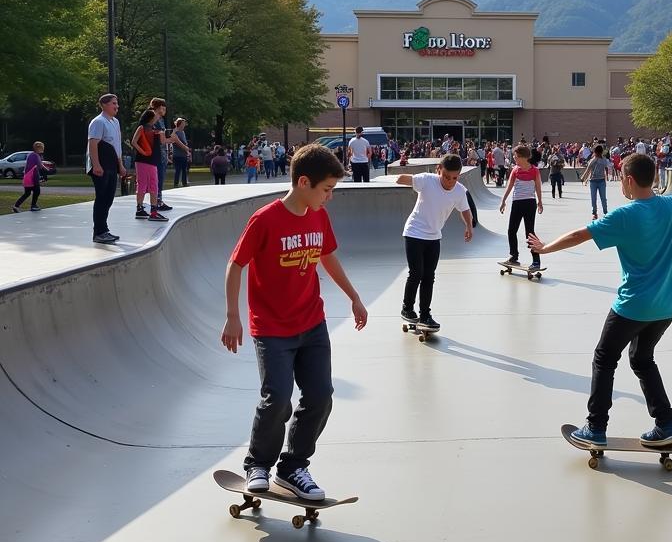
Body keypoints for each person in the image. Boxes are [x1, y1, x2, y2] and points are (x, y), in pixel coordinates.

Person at [527, 153, 672, 448]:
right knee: (642, 359)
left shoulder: (625, 215)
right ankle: (665, 424)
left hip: (632, 307)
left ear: (628, 181)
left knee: (604, 359)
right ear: (654, 176)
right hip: (666, 307)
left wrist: (545, 248)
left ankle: (595, 427)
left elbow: (581, 234)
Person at [221, 143, 366, 500]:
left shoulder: (318, 216)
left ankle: (293, 467)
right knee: (278, 399)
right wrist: (232, 317)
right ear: (304, 182)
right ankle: (258, 464)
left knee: (320, 396)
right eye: (326, 189)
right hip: (271, 328)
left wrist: (354, 296)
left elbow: (327, 258)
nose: (329, 197)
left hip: (311, 323)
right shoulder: (265, 219)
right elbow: (235, 264)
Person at [394, 155, 473, 330]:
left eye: (454, 177)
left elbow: (465, 210)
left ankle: (425, 315)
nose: (450, 181)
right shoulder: (427, 180)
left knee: (429, 276)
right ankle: (407, 308)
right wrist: (404, 177)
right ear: (439, 170)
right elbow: (400, 179)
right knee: (416, 272)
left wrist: (469, 226)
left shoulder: (459, 191)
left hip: (434, 237)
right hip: (414, 232)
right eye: (446, 176)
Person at [86, 94, 128, 244]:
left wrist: (120, 165)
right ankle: (99, 232)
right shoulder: (98, 122)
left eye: (117, 103)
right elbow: (93, 144)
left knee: (109, 198)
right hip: (101, 165)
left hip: (112, 164)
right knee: (102, 197)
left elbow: (116, 146)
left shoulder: (115, 122)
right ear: (103, 105)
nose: (116, 106)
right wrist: (96, 164)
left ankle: (104, 229)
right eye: (113, 104)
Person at [499, 144, 544, 269]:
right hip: (517, 203)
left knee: (529, 233)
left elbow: (538, 187)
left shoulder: (534, 170)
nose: (514, 158)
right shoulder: (515, 170)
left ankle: (536, 260)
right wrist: (503, 201)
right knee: (511, 230)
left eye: (516, 156)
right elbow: (509, 186)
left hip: (530, 203)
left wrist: (540, 202)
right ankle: (514, 256)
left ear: (523, 157)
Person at [131, 109, 168, 223]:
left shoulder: (155, 130)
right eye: (155, 115)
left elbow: (162, 142)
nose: (158, 116)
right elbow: (134, 141)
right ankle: (150, 211)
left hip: (152, 160)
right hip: (144, 160)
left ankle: (143, 209)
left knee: (150, 184)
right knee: (147, 184)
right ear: (150, 117)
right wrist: (142, 151)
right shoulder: (142, 128)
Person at [11, 141, 46, 213]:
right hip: (33, 177)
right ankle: (33, 206)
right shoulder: (36, 155)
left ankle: (16, 206)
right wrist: (46, 169)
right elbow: (40, 166)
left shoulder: (31, 155)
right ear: (39, 148)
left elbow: (38, 165)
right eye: (42, 148)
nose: (42, 149)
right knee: (37, 191)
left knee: (27, 193)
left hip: (27, 177)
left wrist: (44, 167)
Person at [581, 144, 612, 219]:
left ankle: (605, 212)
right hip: (593, 181)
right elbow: (588, 169)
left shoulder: (603, 160)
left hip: (601, 181)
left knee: (603, 198)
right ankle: (595, 213)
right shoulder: (593, 160)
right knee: (594, 198)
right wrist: (583, 178)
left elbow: (608, 166)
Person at [172, 118, 191, 188]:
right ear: (179, 124)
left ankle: (184, 182)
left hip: (184, 154)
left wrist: (187, 150)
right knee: (178, 169)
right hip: (177, 155)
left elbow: (184, 142)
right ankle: (176, 183)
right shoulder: (175, 132)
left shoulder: (182, 132)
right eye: (183, 123)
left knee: (184, 169)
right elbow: (176, 143)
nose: (184, 125)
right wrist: (184, 147)